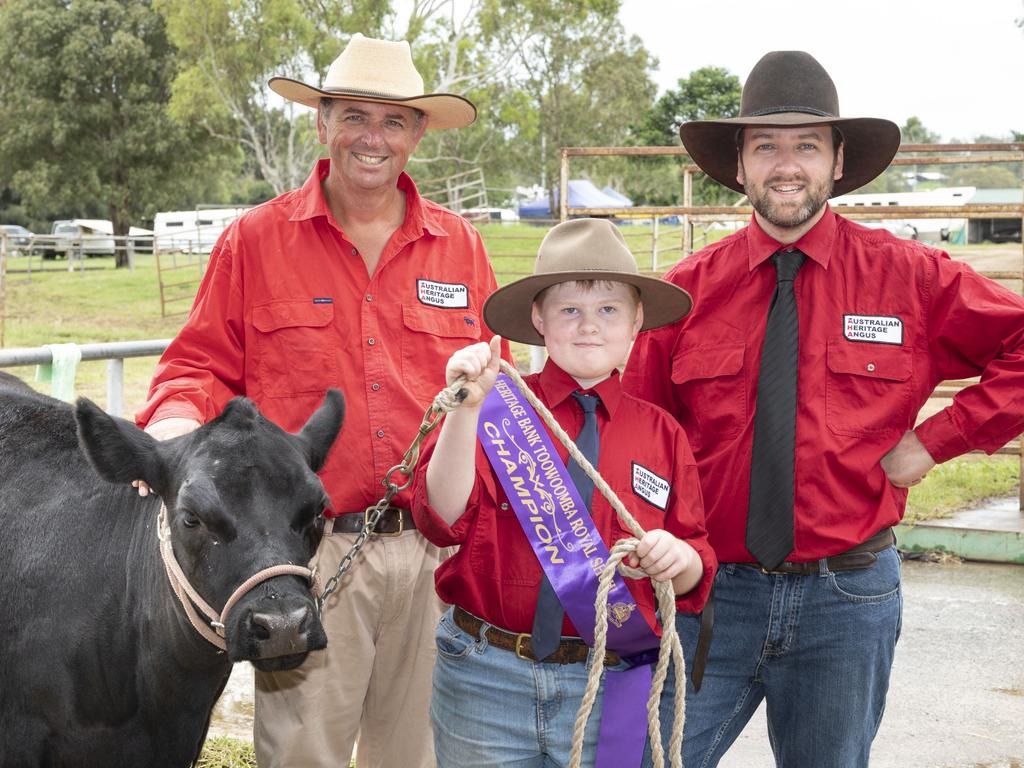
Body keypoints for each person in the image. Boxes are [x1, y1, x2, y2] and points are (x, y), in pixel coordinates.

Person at [626, 50, 1024, 767]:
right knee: (652, 758)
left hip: (847, 599)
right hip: (709, 593)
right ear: (739, 167)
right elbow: (636, 441)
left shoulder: (910, 277)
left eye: (807, 145)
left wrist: (937, 441)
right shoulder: (682, 296)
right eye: (766, 147)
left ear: (838, 162)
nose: (787, 165)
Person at [134, 33, 507, 768]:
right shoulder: (256, 240)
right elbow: (196, 367)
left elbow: (497, 398)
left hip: (436, 554)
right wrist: (170, 440)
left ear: (418, 134)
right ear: (321, 123)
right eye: (354, 117)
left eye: (394, 121)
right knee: (304, 753)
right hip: (306, 553)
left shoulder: (461, 247)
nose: (374, 138)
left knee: (421, 758)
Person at [411, 218, 717, 766]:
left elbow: (696, 563)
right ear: (538, 319)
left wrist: (680, 557)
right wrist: (465, 411)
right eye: (569, 310)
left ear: (636, 321)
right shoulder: (499, 409)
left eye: (608, 310)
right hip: (487, 679)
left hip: (615, 680)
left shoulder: (662, 433)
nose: (588, 327)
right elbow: (441, 517)